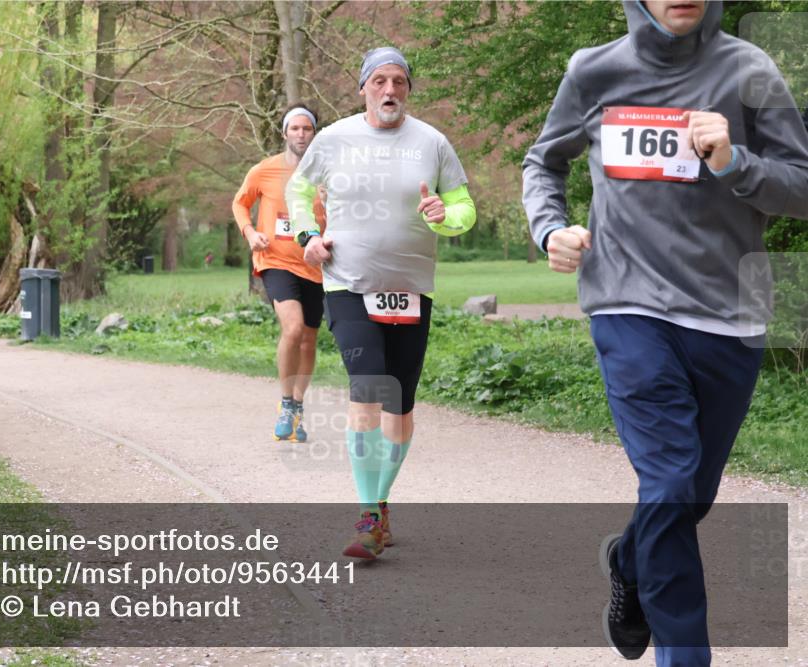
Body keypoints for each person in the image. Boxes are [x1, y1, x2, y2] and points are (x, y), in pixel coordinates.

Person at [522, 1, 808, 664]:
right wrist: (549, 228)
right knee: (673, 482)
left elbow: (802, 185)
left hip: (729, 315)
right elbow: (544, 162)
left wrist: (736, 162)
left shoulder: (750, 70)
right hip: (629, 305)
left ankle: (630, 559)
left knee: (686, 497)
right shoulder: (594, 71)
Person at [286, 46, 476, 560]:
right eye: (379, 81)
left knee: (400, 406)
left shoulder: (432, 142)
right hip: (348, 282)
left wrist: (445, 213)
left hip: (413, 288)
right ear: (363, 87)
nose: (389, 90)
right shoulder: (334, 138)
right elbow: (298, 190)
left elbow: (464, 209)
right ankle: (369, 514)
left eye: (398, 82)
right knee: (367, 390)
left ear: (408, 89)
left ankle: (381, 499)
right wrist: (308, 235)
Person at [232, 103, 326, 442]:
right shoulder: (265, 170)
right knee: (294, 328)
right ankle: (286, 403)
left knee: (310, 339)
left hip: (315, 266)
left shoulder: (326, 172)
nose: (301, 134)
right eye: (295, 128)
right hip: (274, 260)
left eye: (307, 129)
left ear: (314, 133)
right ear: (285, 132)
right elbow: (240, 203)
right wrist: (250, 233)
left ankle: (298, 406)